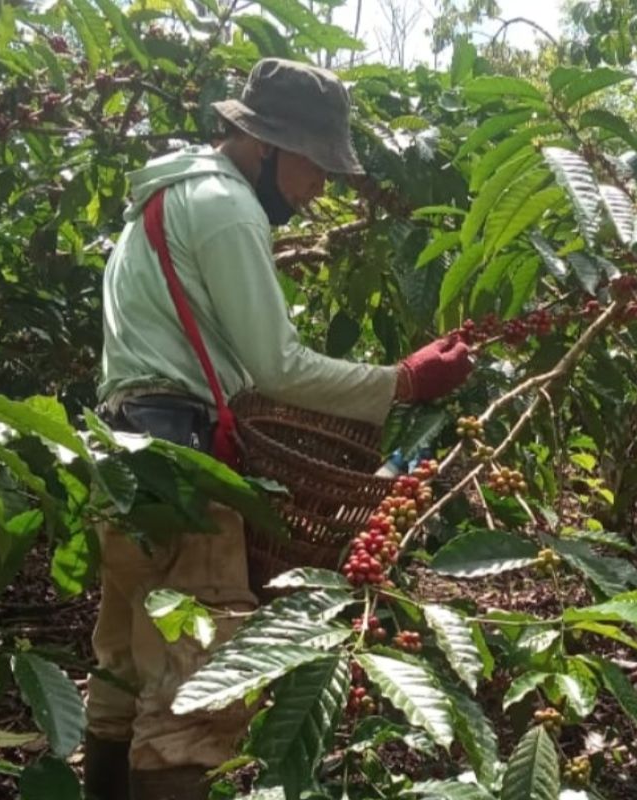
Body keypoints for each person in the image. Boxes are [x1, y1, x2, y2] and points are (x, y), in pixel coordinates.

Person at [85, 58, 473, 800]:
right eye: (313, 165)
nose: (319, 187)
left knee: (123, 672)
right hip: (185, 464)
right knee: (195, 699)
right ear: (263, 145)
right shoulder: (227, 207)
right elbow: (276, 368)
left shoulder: (160, 201)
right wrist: (403, 382)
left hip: (125, 453)